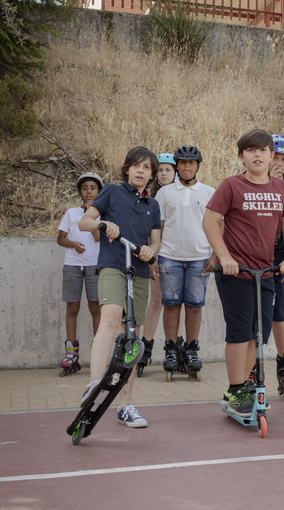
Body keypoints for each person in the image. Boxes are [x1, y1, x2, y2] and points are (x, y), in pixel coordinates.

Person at [203, 128, 284, 418]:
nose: (257, 155)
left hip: (266, 272)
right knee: (240, 332)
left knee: (260, 334)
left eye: (263, 150)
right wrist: (224, 256)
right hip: (236, 272)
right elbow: (210, 222)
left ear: (272, 156)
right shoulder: (231, 186)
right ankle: (235, 389)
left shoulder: (283, 189)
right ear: (242, 156)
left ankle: (238, 389)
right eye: (250, 150)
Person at [78, 146, 161, 428]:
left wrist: (152, 251)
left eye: (147, 167)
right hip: (113, 266)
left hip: (138, 272)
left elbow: (156, 240)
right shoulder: (112, 191)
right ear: (127, 169)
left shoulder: (153, 205)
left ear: (151, 174)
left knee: (132, 338)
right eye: (136, 165)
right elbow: (84, 221)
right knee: (111, 318)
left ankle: (125, 405)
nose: (141, 171)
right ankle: (93, 384)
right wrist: (103, 224)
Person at [155, 145, 215, 377]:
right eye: (182, 162)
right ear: (177, 166)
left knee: (195, 304)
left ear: (198, 165)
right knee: (170, 304)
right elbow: (157, 228)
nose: (186, 166)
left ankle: (191, 349)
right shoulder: (165, 193)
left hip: (199, 258)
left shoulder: (209, 192)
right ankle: (171, 349)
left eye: (191, 163)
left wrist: (215, 254)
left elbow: (219, 226)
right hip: (169, 256)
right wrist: (154, 257)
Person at [255, 134, 284, 396]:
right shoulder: (249, 180)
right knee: (255, 315)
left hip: (276, 257)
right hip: (251, 259)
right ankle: (251, 364)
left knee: (278, 311)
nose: (280, 164)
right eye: (277, 158)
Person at [56, 172, 103, 376]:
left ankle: (98, 352)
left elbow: (99, 238)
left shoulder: (103, 214)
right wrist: (73, 244)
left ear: (99, 192)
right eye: (85, 188)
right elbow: (60, 239)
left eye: (93, 188)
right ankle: (71, 353)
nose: (89, 191)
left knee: (95, 308)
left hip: (94, 265)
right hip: (73, 265)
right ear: (79, 192)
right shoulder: (71, 213)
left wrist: (89, 217)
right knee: (72, 307)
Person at [137, 153, 177, 375]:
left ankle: (176, 347)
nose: (163, 173)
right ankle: (146, 346)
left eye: (168, 170)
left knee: (176, 302)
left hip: (177, 254)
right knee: (156, 300)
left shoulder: (181, 194)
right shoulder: (147, 196)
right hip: (154, 253)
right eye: (160, 169)